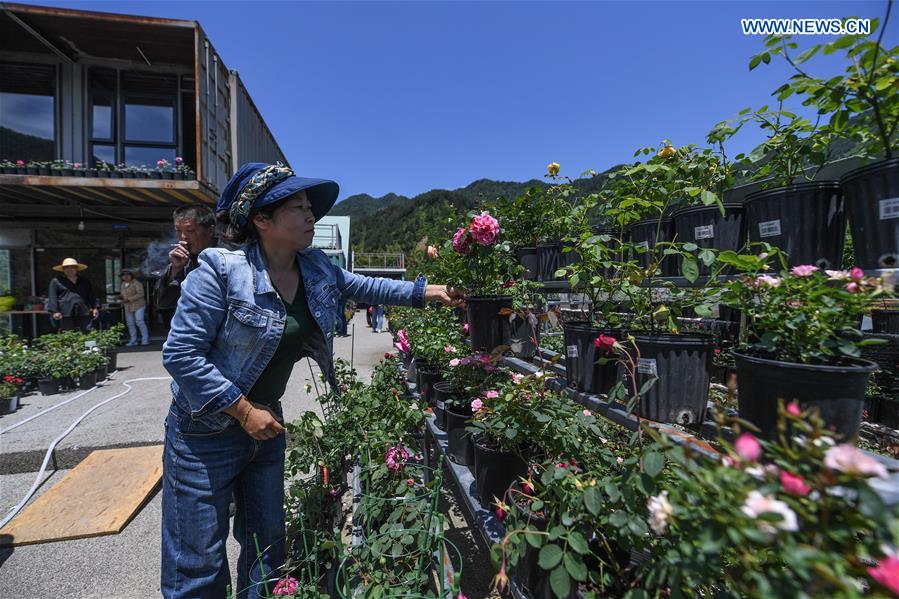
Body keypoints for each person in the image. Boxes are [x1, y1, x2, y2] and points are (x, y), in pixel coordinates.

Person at [160, 162, 464, 599]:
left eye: (310, 208)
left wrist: (430, 291)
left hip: (265, 428)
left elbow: (368, 286)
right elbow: (181, 355)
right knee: (198, 564)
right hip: (204, 433)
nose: (310, 217)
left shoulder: (315, 267)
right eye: (298, 208)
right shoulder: (219, 270)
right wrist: (244, 411)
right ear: (261, 219)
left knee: (266, 553)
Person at [154, 204, 217, 322]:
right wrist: (175, 270)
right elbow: (163, 303)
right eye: (178, 231)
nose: (183, 237)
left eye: (190, 231)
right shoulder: (183, 261)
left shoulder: (231, 258)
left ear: (210, 231)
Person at [47, 257, 99, 333]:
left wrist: (95, 308)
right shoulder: (56, 281)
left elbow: (91, 295)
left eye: (72, 267)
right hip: (65, 312)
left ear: (77, 269)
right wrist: (54, 311)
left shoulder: (84, 281)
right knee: (67, 333)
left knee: (88, 331)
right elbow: (52, 297)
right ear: (63, 270)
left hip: (84, 310)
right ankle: (69, 345)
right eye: (66, 268)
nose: (69, 270)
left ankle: (89, 345)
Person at [119, 268, 149, 346]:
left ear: (131, 275)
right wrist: (119, 297)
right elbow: (124, 295)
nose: (126, 276)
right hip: (128, 307)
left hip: (139, 305)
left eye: (128, 274)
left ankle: (145, 340)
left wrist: (129, 299)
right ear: (121, 276)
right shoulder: (122, 284)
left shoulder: (136, 283)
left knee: (139, 321)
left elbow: (141, 294)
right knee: (130, 323)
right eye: (123, 275)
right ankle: (133, 340)